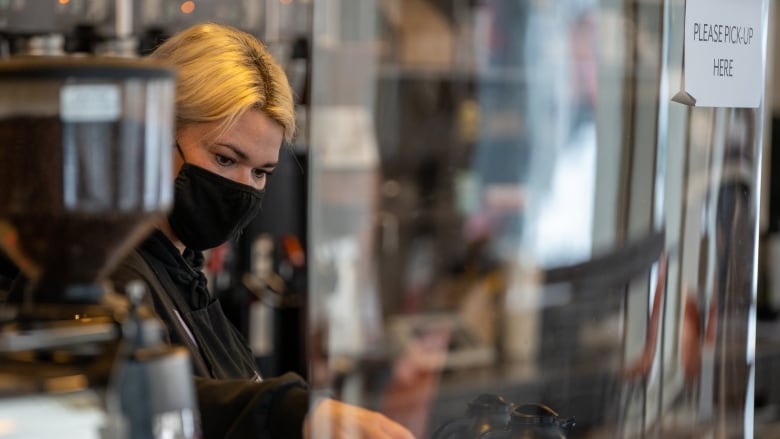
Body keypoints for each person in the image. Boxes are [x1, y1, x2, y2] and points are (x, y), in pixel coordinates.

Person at [109, 23, 415, 439]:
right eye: (224, 159)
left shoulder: (183, 274)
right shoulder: (110, 275)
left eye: (259, 172)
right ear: (154, 133)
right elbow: (131, 401)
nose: (242, 186)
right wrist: (288, 413)